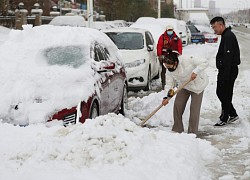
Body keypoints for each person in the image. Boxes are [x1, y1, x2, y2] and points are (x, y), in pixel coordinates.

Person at [161, 51, 209, 134]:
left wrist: (195, 72)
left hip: (197, 86)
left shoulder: (187, 60)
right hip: (184, 86)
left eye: (169, 66)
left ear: (175, 63)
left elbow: (204, 62)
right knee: (177, 105)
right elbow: (169, 83)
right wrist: (166, 97)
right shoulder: (169, 70)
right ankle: (177, 129)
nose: (168, 68)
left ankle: (192, 132)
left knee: (194, 109)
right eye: (166, 66)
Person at [210, 16, 240, 126]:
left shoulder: (228, 36)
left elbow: (228, 57)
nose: (214, 29)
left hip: (228, 71)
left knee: (223, 93)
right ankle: (232, 114)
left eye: (215, 27)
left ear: (221, 25)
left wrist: (225, 75)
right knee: (224, 93)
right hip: (227, 70)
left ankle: (225, 117)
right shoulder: (226, 35)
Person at [157, 25, 182, 90]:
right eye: (168, 30)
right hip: (165, 56)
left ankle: (175, 84)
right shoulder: (162, 37)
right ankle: (164, 84)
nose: (169, 31)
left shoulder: (176, 38)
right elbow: (159, 45)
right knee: (164, 70)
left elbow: (179, 46)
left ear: (173, 30)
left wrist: (179, 54)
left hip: (174, 56)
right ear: (166, 30)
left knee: (175, 69)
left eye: (171, 30)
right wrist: (159, 55)